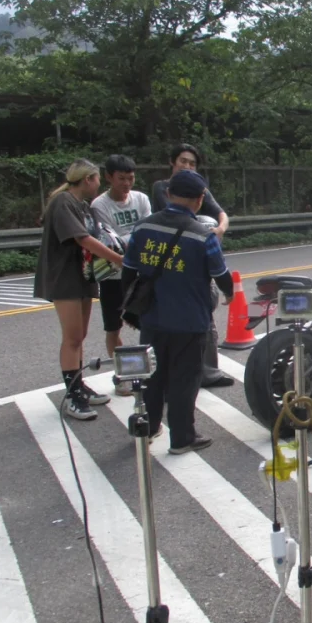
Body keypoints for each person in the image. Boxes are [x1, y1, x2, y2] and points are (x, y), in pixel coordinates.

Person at [123, 170, 235, 454]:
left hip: (153, 317)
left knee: (153, 375)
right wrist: (230, 293)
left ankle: (149, 427)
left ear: (169, 194)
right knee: (185, 379)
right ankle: (182, 438)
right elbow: (220, 273)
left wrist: (131, 305)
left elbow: (129, 270)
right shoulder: (203, 235)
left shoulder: (142, 228)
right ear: (200, 199)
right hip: (190, 320)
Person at [34, 159, 125, 419]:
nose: (98, 185)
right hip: (64, 278)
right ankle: (72, 396)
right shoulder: (63, 202)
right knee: (72, 337)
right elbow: (83, 239)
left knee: (80, 335)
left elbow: (98, 235)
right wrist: (119, 259)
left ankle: (79, 385)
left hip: (83, 275)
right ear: (88, 179)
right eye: (97, 179)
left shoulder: (83, 205)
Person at [151, 143, 234, 388]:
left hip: (196, 261)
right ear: (172, 162)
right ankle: (171, 375)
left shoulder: (201, 190)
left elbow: (221, 213)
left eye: (192, 163)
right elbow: (175, 215)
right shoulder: (162, 188)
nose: (187, 166)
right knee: (172, 320)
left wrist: (219, 230)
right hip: (171, 260)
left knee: (206, 316)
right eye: (183, 161)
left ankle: (209, 372)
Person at [90, 154, 153, 396]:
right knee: (113, 327)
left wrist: (129, 240)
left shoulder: (141, 199)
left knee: (150, 322)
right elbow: (110, 242)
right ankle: (122, 376)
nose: (127, 184)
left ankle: (151, 371)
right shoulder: (99, 205)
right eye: (121, 178)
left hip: (142, 273)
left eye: (131, 178)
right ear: (109, 177)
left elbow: (148, 232)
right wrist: (133, 238)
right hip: (113, 276)